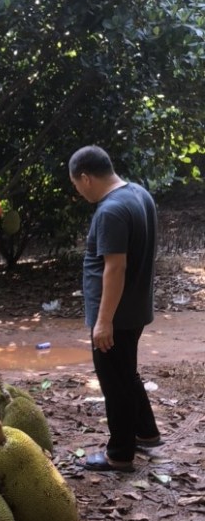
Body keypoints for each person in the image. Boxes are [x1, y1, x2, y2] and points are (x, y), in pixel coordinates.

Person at [69, 145, 161, 473]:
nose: (78, 192)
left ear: (86, 178)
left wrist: (103, 321)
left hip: (115, 317)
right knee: (127, 373)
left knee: (115, 384)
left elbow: (115, 268)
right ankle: (147, 433)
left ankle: (119, 454)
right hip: (134, 311)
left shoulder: (110, 211)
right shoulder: (139, 194)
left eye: (76, 185)